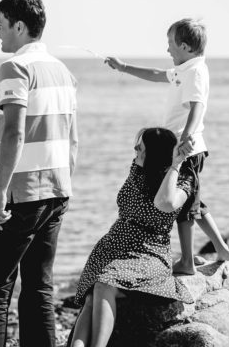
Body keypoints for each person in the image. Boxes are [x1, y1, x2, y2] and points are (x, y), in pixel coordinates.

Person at [0, 0, 79, 347]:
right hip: (57, 189)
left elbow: (15, 132)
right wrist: (66, 186)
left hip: (23, 194)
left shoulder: (15, 68)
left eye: (0, 23)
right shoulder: (62, 71)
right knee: (38, 288)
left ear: (19, 25)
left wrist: (0, 193)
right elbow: (72, 138)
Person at [105, 18, 229, 275]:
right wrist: (123, 67)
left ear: (185, 47)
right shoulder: (185, 68)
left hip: (186, 149)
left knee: (182, 207)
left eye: (170, 44)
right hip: (180, 147)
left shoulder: (195, 71)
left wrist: (185, 137)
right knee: (193, 201)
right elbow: (155, 74)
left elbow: (198, 106)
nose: (167, 50)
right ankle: (222, 249)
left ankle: (187, 262)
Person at [70, 127, 196, 347]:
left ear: (156, 153)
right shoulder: (138, 168)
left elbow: (165, 203)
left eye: (141, 147)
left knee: (103, 285)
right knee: (92, 295)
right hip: (114, 246)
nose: (135, 149)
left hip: (150, 252)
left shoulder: (183, 179)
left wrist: (175, 164)